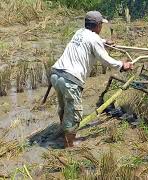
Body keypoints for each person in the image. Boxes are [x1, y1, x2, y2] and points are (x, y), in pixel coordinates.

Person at [50, 11, 133, 148]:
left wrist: (105, 42)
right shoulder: (94, 39)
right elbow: (106, 60)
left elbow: (92, 41)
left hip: (56, 75)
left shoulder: (79, 32)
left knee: (64, 108)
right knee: (75, 115)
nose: (101, 28)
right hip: (70, 80)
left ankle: (63, 134)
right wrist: (122, 66)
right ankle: (68, 146)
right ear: (98, 25)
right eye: (101, 25)